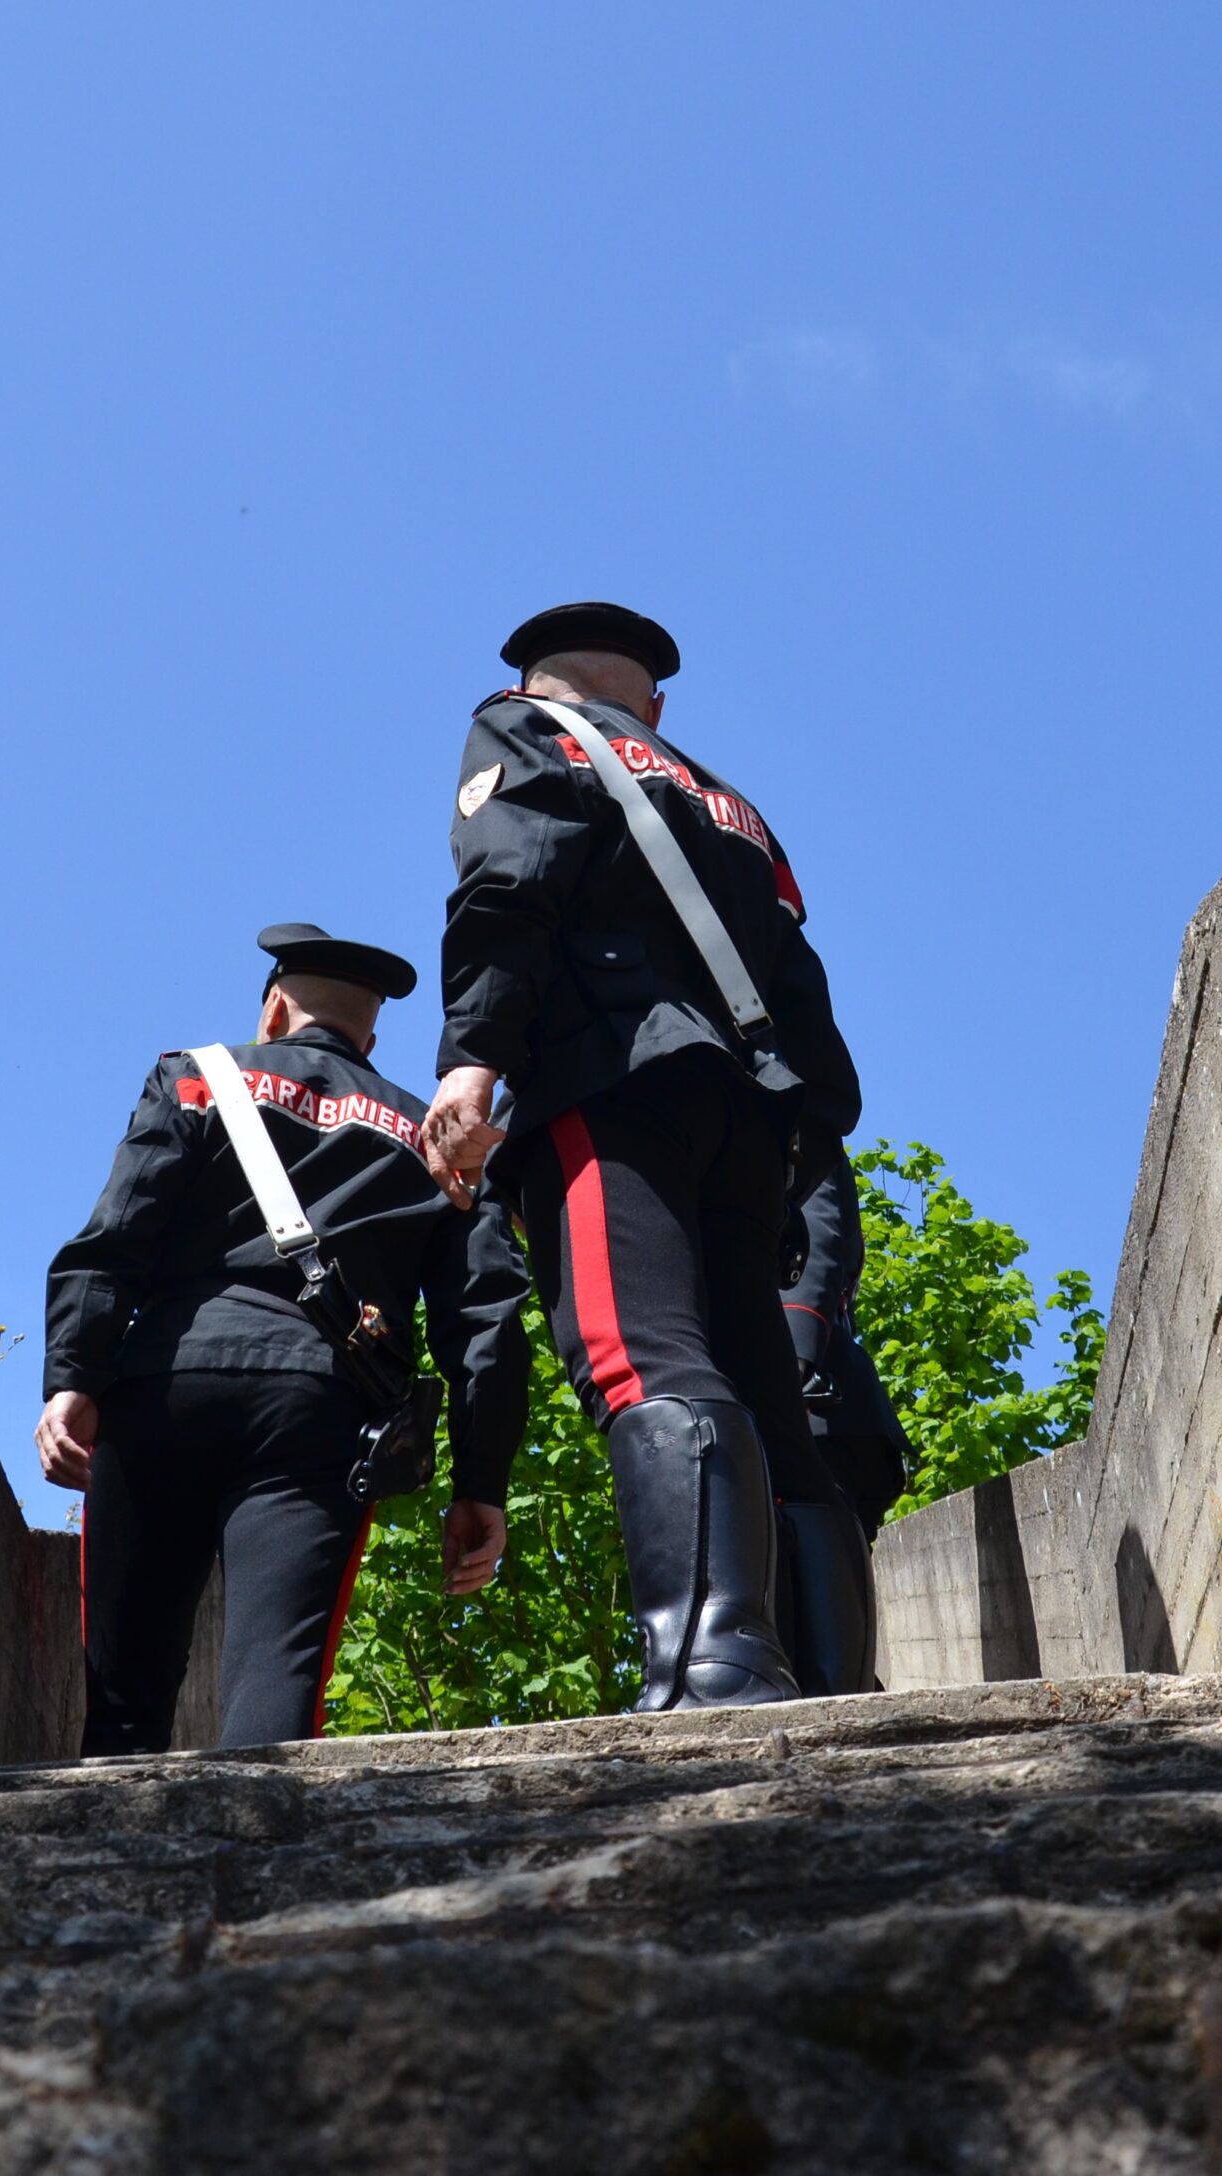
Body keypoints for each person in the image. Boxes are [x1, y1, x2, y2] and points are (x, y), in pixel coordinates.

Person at [422, 602, 871, 1708]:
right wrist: (802, 1131)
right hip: (749, 1115)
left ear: (537, 684)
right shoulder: (733, 803)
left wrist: (473, 1059)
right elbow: (797, 979)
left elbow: (508, 885)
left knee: (641, 1355)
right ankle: (825, 1677)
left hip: (607, 1080)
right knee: (765, 1398)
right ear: (652, 704)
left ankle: (709, 1664)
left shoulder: (525, 732)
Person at [38, 924, 530, 1753]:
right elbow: (484, 1319)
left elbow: (113, 1238)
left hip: (165, 1384)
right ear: (370, 1038)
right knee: (277, 1681)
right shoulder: (431, 1139)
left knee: (124, 1691)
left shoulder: (195, 1079)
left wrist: (72, 1377)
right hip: (319, 1411)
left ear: (273, 1011)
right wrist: (479, 1481)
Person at [776, 1141, 913, 1692]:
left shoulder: (791, 1121)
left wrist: (793, 1351)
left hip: (818, 1403)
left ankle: (842, 1712)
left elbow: (820, 1220)